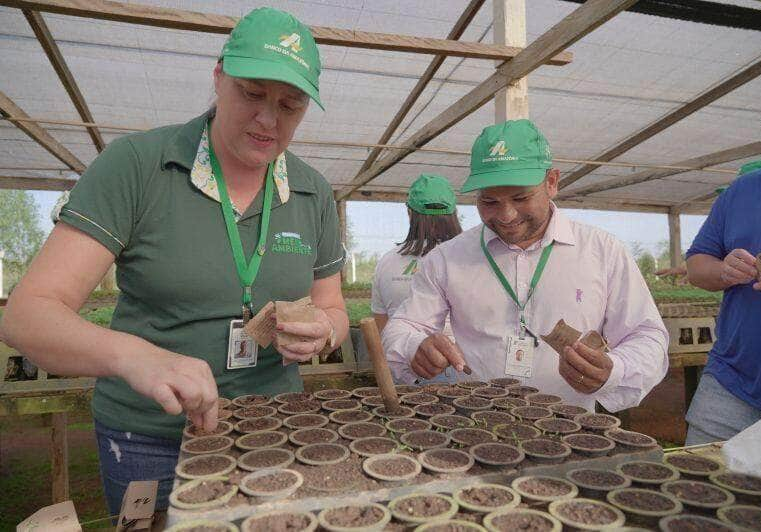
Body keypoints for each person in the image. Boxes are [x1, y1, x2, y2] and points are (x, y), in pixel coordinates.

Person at [0, 7, 348, 514]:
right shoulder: (139, 165)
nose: (269, 119)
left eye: (291, 105)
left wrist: (326, 330)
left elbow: (334, 308)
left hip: (277, 430)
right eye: (252, 93)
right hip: (151, 438)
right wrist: (135, 355)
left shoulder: (313, 192)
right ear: (218, 77)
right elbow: (28, 315)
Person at [383, 119, 668, 412]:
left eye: (521, 197)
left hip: (570, 426)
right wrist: (414, 347)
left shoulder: (603, 252)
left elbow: (646, 335)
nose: (506, 216)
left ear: (552, 182)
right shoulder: (446, 259)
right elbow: (404, 326)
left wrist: (615, 370)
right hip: (473, 422)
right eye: (489, 201)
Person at [684, 67, 761, 444]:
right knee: (696, 489)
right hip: (733, 387)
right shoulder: (742, 192)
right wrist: (724, 271)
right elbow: (697, 267)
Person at [371, 174, 462, 332]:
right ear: (454, 213)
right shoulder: (471, 259)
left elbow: (382, 328)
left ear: (409, 212)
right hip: (462, 356)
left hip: (402, 354)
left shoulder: (387, 262)